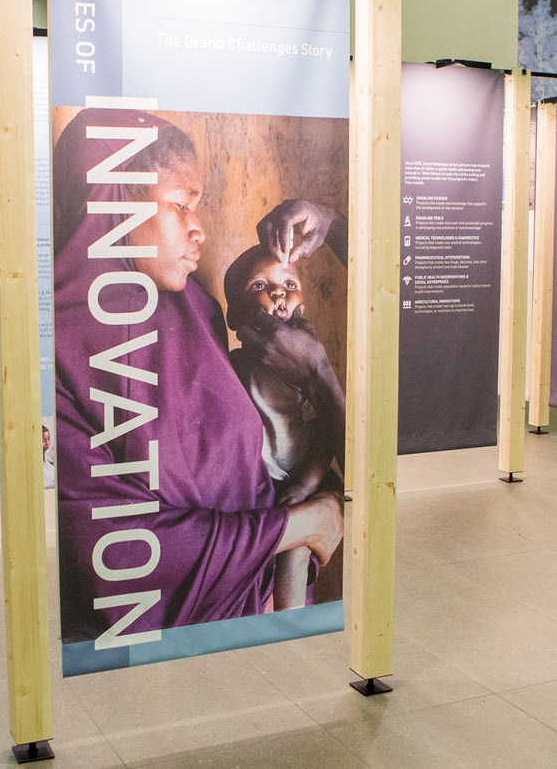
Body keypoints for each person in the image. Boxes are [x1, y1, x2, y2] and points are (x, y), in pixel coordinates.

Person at [52, 108, 344, 646]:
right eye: (181, 204)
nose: (198, 226)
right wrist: (294, 526)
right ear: (115, 200)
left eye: (200, 205)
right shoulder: (58, 346)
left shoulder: (198, 312)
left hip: (265, 603)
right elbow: (111, 546)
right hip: (167, 649)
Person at [223, 246, 345, 610]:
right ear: (234, 316)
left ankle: (290, 620)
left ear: (302, 305)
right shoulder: (235, 365)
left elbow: (324, 432)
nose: (279, 292)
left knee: (297, 547)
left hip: (304, 475)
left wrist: (306, 482)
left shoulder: (306, 361)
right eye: (261, 284)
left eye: (289, 283)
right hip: (255, 482)